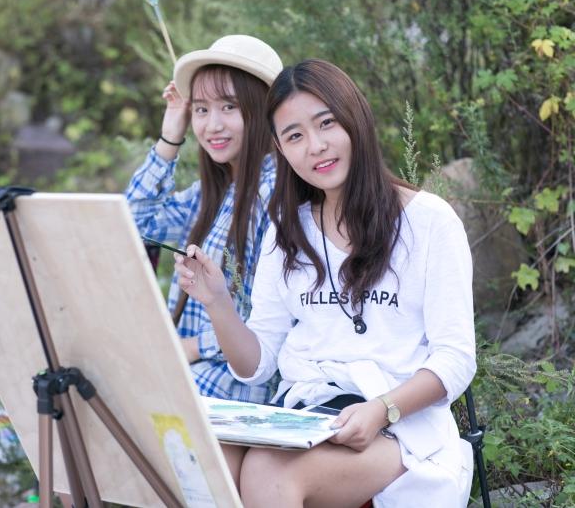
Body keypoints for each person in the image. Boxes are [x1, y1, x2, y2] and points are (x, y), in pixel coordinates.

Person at [174, 59, 476, 507]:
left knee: (267, 473)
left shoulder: (428, 221)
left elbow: (456, 358)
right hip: (307, 414)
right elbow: (257, 364)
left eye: (326, 123)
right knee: (202, 458)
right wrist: (217, 301)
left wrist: (382, 409)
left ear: (355, 119)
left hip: (400, 425)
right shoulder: (287, 231)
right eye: (295, 136)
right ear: (280, 148)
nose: (315, 147)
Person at [126, 35, 283, 403]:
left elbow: (279, 319)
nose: (212, 125)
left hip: (237, 386)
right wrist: (170, 136)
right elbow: (132, 224)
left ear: (263, 110)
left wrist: (194, 347)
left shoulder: (276, 192)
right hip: (191, 375)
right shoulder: (211, 193)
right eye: (201, 109)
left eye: (229, 107)